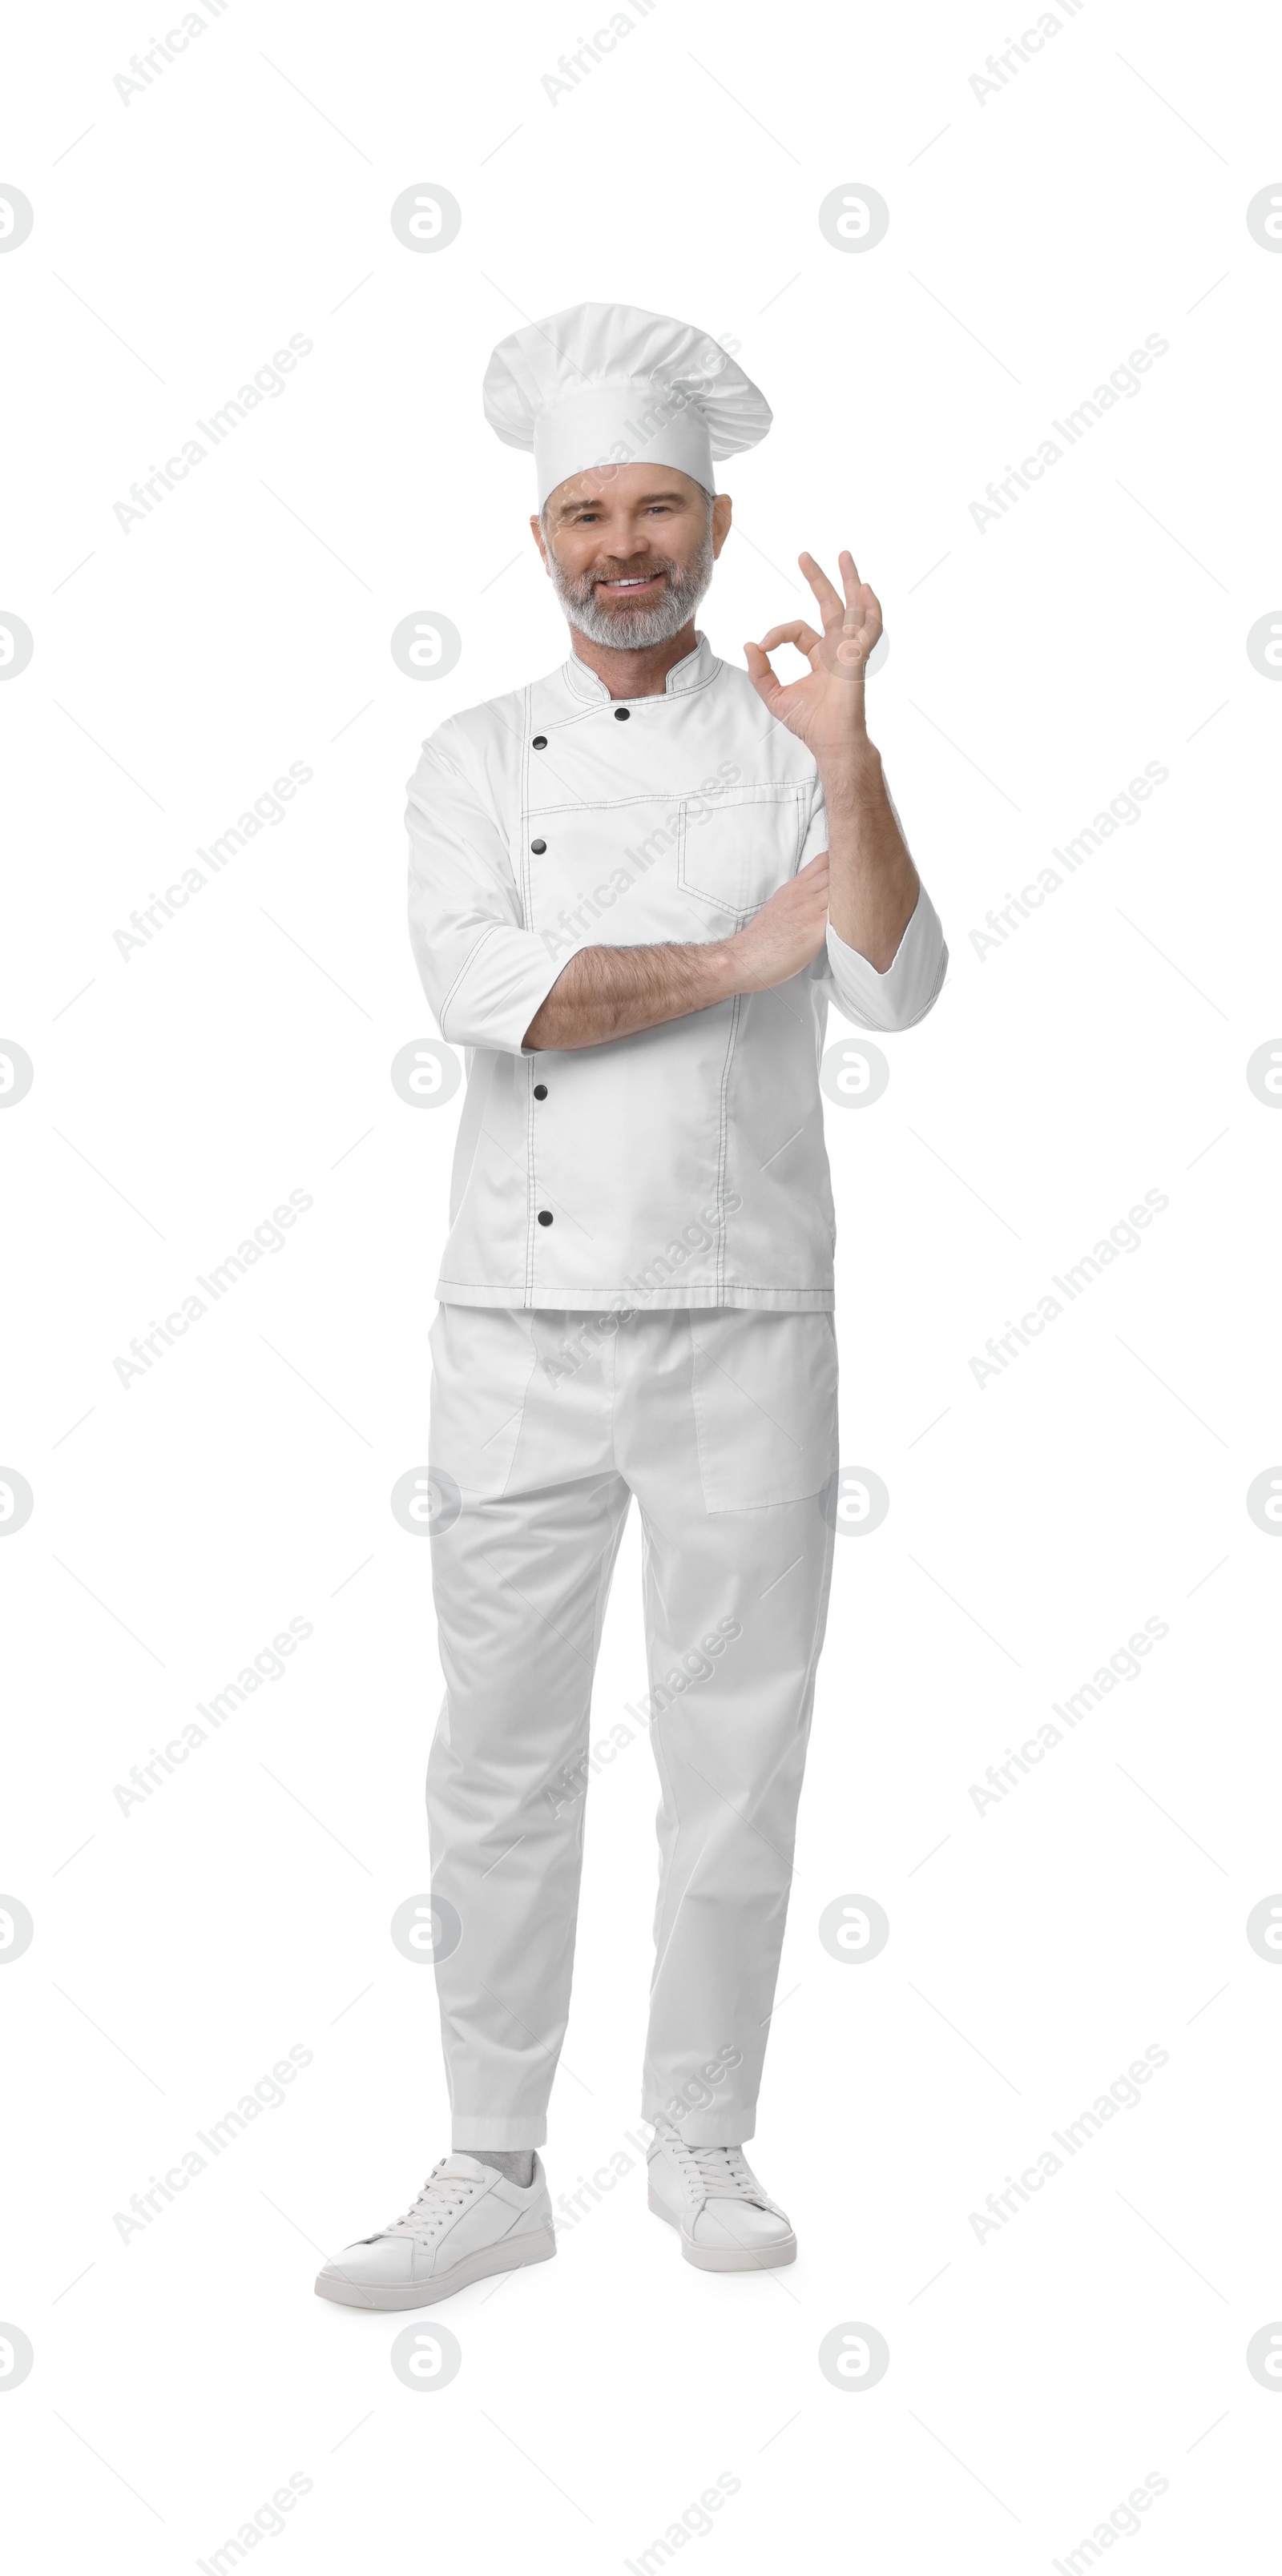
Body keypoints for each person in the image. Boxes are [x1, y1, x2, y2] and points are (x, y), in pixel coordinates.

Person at [316, 301, 947, 2312]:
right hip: (511, 1320)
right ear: (538, 542)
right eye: (585, 511)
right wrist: (731, 949)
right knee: (495, 1753)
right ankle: (490, 2161)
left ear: (715, 524)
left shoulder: (795, 749)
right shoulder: (460, 756)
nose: (621, 545)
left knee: (734, 1746)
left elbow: (893, 982)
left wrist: (847, 764)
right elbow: (497, 1002)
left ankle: (700, 2136)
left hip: (750, 1310)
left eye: (655, 508)